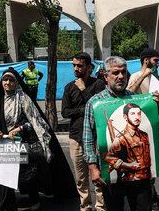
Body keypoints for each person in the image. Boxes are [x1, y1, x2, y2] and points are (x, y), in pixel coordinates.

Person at [0, 67, 77, 211]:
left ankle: (34, 199)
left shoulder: (24, 98)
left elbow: (35, 121)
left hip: (22, 142)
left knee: (27, 175)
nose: (7, 83)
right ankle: (7, 205)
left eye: (11, 80)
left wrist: (18, 129)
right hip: (3, 144)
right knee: (3, 177)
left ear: (17, 82)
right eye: (5, 80)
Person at [83, 56, 159, 211]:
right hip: (112, 175)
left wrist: (155, 108)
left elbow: (152, 128)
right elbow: (88, 138)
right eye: (115, 73)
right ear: (105, 76)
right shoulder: (95, 103)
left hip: (141, 177)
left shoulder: (137, 100)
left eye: (123, 72)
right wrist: (93, 168)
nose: (120, 76)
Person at [61, 52, 105, 211]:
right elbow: (65, 112)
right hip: (76, 137)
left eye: (80, 65)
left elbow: (98, 107)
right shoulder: (69, 87)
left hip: (96, 137)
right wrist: (83, 109)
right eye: (74, 65)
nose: (76, 68)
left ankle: (101, 207)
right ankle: (85, 206)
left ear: (89, 67)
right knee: (81, 178)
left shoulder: (99, 84)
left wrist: (84, 89)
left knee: (98, 175)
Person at [126, 48, 159, 210]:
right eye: (155, 60)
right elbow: (129, 94)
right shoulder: (135, 76)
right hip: (139, 126)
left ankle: (152, 195)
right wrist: (144, 75)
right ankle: (146, 199)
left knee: (152, 161)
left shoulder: (156, 77)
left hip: (152, 125)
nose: (158, 63)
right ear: (146, 60)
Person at [104, 103, 151, 182]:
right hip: (132, 179)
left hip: (147, 177)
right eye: (132, 114)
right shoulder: (121, 138)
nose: (137, 117)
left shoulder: (144, 135)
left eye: (139, 114)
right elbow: (108, 157)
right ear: (125, 117)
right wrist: (128, 165)